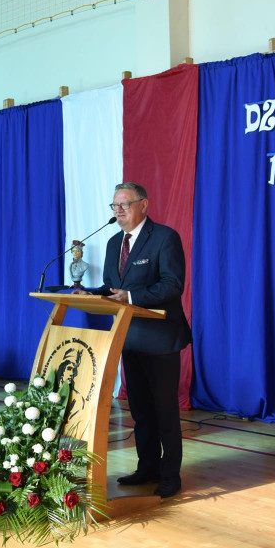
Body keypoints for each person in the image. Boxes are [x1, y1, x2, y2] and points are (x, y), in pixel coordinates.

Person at [78, 182, 190, 498]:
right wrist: (88, 293)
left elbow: (172, 284)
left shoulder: (165, 238)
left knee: (164, 409)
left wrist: (132, 295)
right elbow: (113, 286)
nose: (119, 211)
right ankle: (148, 468)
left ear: (144, 205)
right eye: (114, 206)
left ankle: (170, 475)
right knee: (140, 409)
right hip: (130, 337)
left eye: (125, 204)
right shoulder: (115, 243)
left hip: (160, 337)